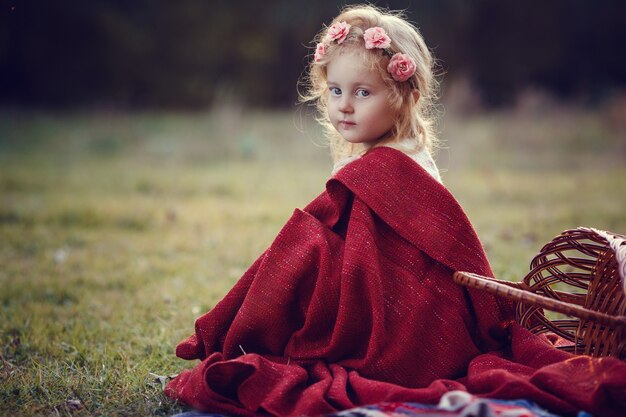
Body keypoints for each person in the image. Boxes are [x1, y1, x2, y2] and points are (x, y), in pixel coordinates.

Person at [165, 5, 626, 417]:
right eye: (336, 90)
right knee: (309, 246)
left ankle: (248, 326)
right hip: (385, 290)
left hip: (417, 313)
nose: (344, 105)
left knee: (301, 249)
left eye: (363, 93)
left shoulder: (391, 164)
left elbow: (405, 253)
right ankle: (253, 322)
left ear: (402, 96)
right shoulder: (374, 154)